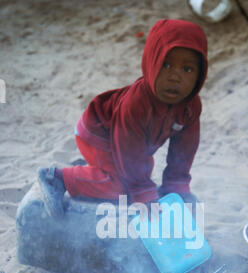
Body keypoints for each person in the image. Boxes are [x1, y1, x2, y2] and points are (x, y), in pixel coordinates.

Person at [38, 19, 208, 219]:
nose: (175, 77)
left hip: (131, 144)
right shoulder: (137, 103)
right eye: (166, 65)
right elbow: (128, 150)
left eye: (187, 69)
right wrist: (144, 195)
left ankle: (92, 171)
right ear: (151, 62)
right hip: (99, 134)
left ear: (200, 74)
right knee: (121, 188)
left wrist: (176, 185)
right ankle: (56, 178)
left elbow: (184, 149)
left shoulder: (191, 106)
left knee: (141, 174)